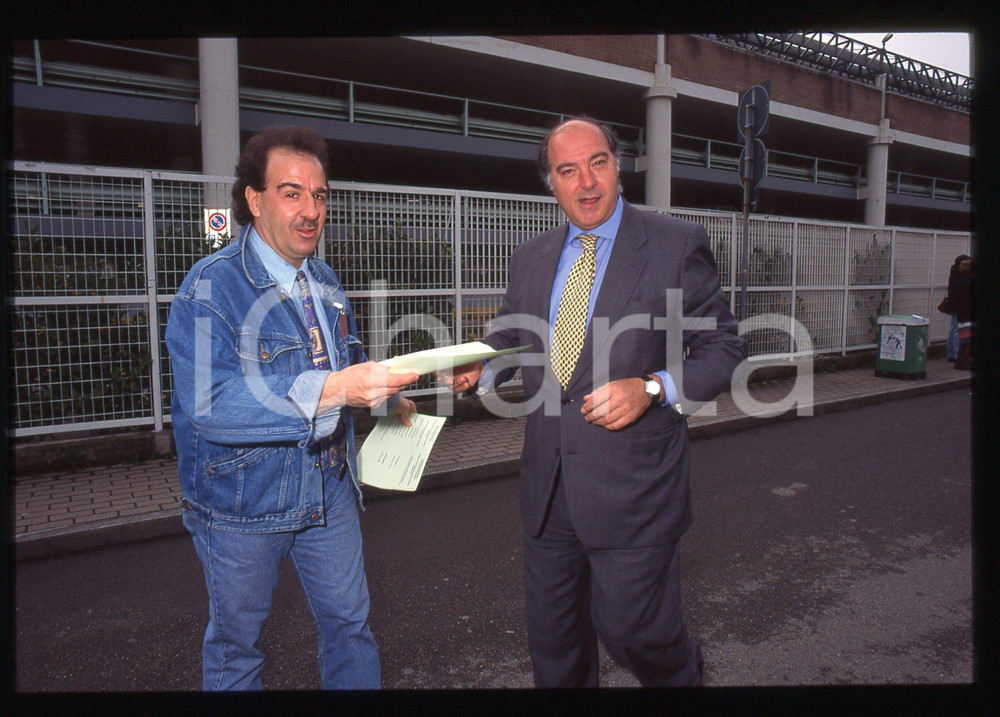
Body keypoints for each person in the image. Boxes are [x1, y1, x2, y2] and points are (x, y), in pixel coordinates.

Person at [443, 117, 747, 686]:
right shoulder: (532, 256)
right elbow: (513, 335)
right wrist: (481, 361)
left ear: (618, 166)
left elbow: (723, 347)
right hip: (548, 488)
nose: (586, 182)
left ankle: (684, 675)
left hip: (635, 489)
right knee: (555, 653)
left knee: (638, 635)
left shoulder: (674, 243)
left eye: (598, 162)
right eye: (568, 170)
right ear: (550, 184)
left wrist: (653, 388)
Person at [165, 125, 418, 690]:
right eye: (291, 192)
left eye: (320, 195)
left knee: (350, 628)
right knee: (237, 651)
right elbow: (211, 404)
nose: (311, 211)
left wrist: (386, 396)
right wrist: (336, 391)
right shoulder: (209, 289)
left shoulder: (324, 281)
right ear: (254, 200)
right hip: (241, 504)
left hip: (327, 487)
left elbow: (342, 358)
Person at [948, 255, 974, 370]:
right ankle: (957, 355)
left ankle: (952, 354)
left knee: (954, 329)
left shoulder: (955, 276)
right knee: (961, 333)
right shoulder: (965, 279)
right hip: (963, 310)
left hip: (956, 307)